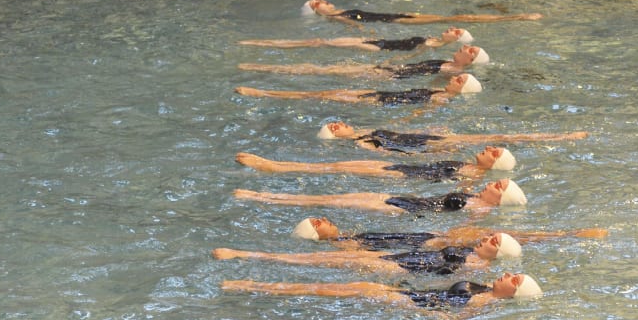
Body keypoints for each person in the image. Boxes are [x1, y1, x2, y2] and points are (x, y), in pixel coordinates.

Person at [221, 270, 542, 315]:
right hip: (412, 294)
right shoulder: (483, 287)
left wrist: (412, 310)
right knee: (341, 289)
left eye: (512, 279)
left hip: (410, 303)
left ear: (513, 293)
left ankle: (256, 288)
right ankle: (258, 287)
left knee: (337, 290)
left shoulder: (483, 302)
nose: (506, 274)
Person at [213, 230, 521, 276]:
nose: (485, 240)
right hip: (405, 259)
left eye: (492, 242)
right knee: (334, 256)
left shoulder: (477, 269)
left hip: (402, 270)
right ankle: (249, 254)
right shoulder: (471, 255)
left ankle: (249, 255)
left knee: (328, 262)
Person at [232, 177, 526, 217]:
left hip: (403, 212)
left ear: (500, 200)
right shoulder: (471, 193)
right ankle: (268, 195)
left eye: (498, 186)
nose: (491, 184)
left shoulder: (479, 211)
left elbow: (461, 234)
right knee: (332, 198)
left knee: (332, 204)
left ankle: (264, 198)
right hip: (406, 198)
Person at [289, 217, 607, 250]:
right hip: (424, 245)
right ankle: (571, 235)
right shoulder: (344, 246)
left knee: (488, 235)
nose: (325, 219)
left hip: (421, 240)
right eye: (319, 222)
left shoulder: (347, 240)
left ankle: (570, 235)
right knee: (487, 235)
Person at [233, 144, 515, 181]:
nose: (488, 148)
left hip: (404, 178)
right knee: (336, 167)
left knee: (334, 170)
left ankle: (272, 166)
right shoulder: (466, 164)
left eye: (494, 152)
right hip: (400, 168)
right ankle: (277, 164)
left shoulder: (472, 178)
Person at [236, 44, 489, 79]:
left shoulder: (453, 72)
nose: (464, 47)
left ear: (472, 59)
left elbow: (434, 86)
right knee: (327, 69)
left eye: (470, 49)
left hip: (390, 76)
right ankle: (265, 67)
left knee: (326, 71)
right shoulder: (448, 63)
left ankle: (264, 68)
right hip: (391, 70)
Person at [316, 121, 587, 153]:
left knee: (496, 135)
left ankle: (561, 136)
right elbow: (393, 154)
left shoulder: (366, 129)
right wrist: (435, 150)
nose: (338, 123)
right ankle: (563, 136)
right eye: (334, 127)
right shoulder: (363, 142)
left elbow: (400, 130)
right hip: (427, 145)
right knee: (499, 136)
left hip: (427, 136)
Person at [235, 72, 481, 105]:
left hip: (379, 102)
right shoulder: (437, 90)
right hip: (381, 95)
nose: (453, 79)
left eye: (458, 81)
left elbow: (419, 112)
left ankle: (265, 94)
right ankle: (265, 93)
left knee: (322, 96)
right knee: (324, 94)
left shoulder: (440, 100)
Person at [301, 0, 540, 23]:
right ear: (316, 10)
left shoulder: (337, 12)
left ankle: (515, 17)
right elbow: (351, 24)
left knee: (450, 18)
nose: (323, 0)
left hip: (390, 17)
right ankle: (516, 17)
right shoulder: (333, 15)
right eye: (317, 2)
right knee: (452, 18)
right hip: (392, 22)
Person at [239, 27, 472, 52]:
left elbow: (413, 53)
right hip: (381, 42)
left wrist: (390, 65)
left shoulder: (432, 44)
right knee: (319, 41)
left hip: (380, 50)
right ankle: (261, 43)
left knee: (320, 42)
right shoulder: (432, 39)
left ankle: (259, 44)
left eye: (456, 31)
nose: (451, 28)